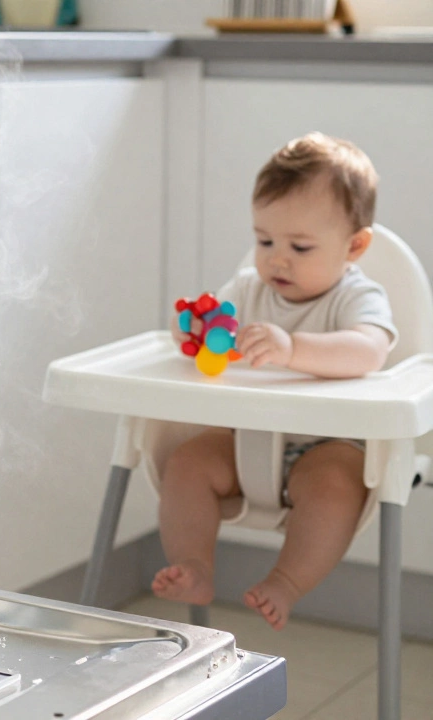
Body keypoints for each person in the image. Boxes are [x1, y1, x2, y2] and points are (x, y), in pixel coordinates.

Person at [152, 132, 397, 630]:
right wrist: (193, 335)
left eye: (300, 246)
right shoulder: (247, 289)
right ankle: (196, 565)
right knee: (186, 465)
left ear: (354, 246)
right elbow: (215, 333)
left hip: (325, 447)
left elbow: (369, 350)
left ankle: (285, 582)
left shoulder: (357, 297)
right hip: (244, 444)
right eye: (264, 240)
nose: (276, 259)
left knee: (335, 489)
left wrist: (293, 348)